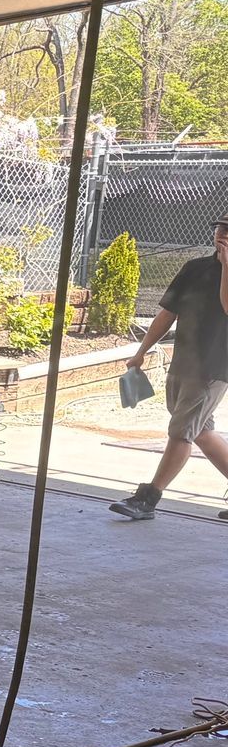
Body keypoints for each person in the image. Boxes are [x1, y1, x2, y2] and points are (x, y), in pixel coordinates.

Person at [110, 218, 228, 520]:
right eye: (221, 228)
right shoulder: (194, 268)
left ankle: (148, 499)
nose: (224, 234)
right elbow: (168, 312)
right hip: (183, 361)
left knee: (181, 432)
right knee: (200, 431)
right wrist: (140, 351)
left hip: (213, 367)